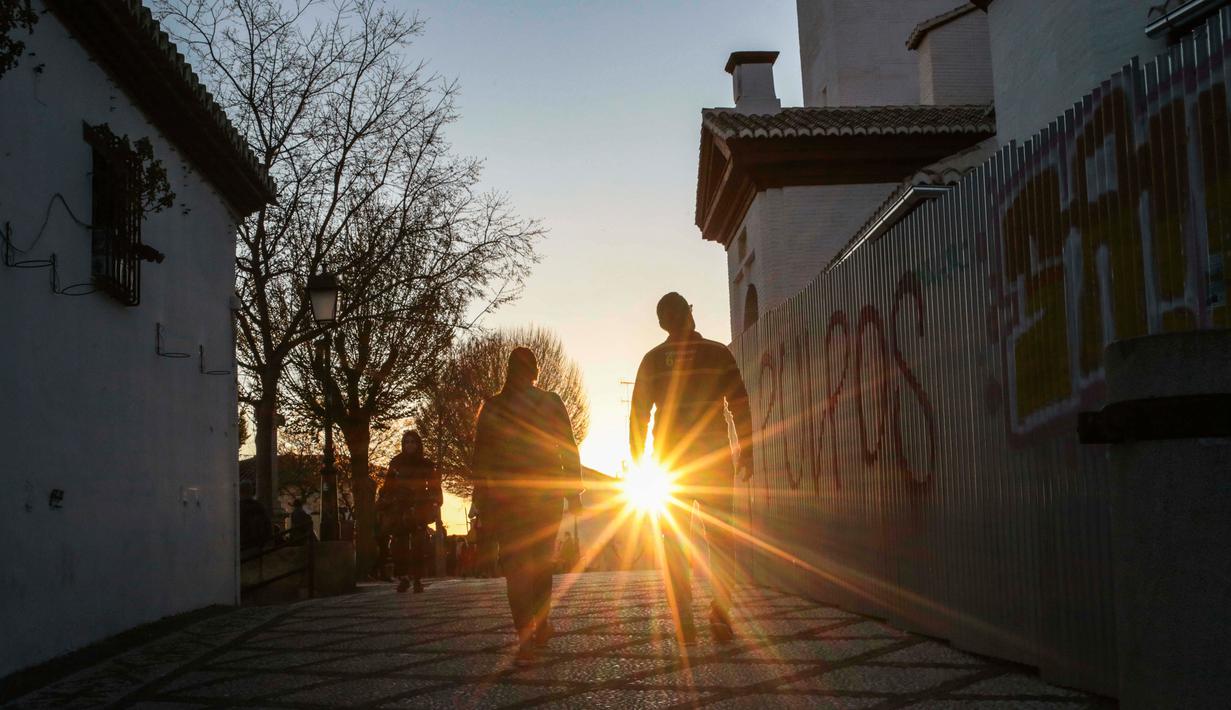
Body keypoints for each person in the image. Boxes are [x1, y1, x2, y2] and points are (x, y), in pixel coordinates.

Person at [629, 291, 753, 644]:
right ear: (690, 314)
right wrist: (748, 448)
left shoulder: (653, 360)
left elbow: (639, 412)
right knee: (722, 541)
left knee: (673, 543)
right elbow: (739, 402)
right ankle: (721, 613)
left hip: (671, 465)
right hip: (713, 461)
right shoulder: (717, 353)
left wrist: (638, 456)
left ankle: (685, 619)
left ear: (662, 324)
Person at [472, 347, 583, 663]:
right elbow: (568, 448)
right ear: (534, 371)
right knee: (540, 561)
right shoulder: (550, 402)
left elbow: (481, 457)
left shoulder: (492, 407)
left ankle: (526, 636)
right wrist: (574, 492)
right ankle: (541, 623)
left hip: (506, 500)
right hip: (544, 494)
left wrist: (479, 498)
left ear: (508, 370)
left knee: (516, 567)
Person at [383, 430, 443, 593]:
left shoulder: (426, 464)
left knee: (418, 543)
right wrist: (385, 501)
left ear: (418, 444)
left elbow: (434, 485)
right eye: (406, 442)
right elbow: (388, 485)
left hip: (419, 505)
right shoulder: (396, 463)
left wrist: (435, 501)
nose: (409, 445)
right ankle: (403, 577)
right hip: (400, 506)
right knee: (399, 543)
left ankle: (417, 578)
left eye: (412, 442)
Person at [238, 480, 273, 551]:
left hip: (242, 546)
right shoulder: (259, 506)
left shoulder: (237, 508)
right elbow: (267, 527)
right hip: (256, 546)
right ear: (251, 491)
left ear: (239, 491)